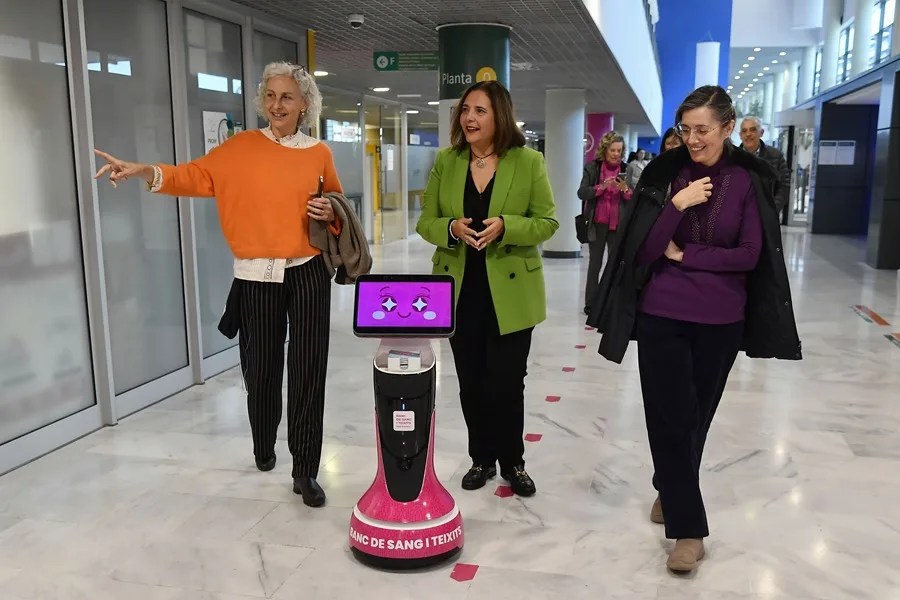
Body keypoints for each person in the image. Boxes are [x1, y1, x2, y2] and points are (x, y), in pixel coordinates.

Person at [93, 62, 351, 508]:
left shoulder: (318, 152)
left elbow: (337, 204)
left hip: (307, 271)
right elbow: (193, 176)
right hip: (254, 275)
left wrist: (330, 215)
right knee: (260, 368)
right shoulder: (240, 147)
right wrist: (143, 171)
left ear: (304, 103)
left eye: (287, 97)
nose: (276, 105)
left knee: (308, 370)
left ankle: (306, 468)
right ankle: (263, 438)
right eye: (270, 96)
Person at [586, 85, 801, 572]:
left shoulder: (748, 182)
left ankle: (669, 486)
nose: (694, 138)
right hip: (662, 312)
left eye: (703, 129)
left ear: (729, 128)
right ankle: (689, 530)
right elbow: (642, 250)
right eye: (686, 129)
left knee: (696, 416)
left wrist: (687, 254)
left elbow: (748, 255)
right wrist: (676, 206)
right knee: (669, 416)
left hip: (721, 320)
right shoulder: (667, 175)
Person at [416, 81, 559, 497]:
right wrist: (450, 227)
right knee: (471, 381)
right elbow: (425, 221)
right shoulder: (447, 161)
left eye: (479, 110)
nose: (469, 118)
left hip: (511, 293)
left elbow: (548, 222)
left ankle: (513, 461)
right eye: (465, 110)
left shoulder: (528, 162)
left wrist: (507, 226)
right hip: (460, 291)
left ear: (499, 115)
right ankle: (481, 457)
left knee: (507, 382)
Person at [577, 131, 632, 315]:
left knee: (615, 266)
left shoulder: (627, 169)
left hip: (618, 225)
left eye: (619, 150)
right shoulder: (592, 168)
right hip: (597, 223)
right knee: (595, 265)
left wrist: (625, 190)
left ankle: (610, 303)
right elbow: (582, 193)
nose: (616, 154)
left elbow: (633, 199)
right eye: (613, 150)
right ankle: (591, 304)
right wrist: (601, 188)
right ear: (605, 149)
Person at [739, 116, 792, 215]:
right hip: (739, 217)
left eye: (753, 130)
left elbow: (784, 186)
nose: (748, 134)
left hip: (766, 218)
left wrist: (771, 210)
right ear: (740, 135)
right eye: (744, 131)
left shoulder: (776, 156)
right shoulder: (732, 158)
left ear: (761, 133)